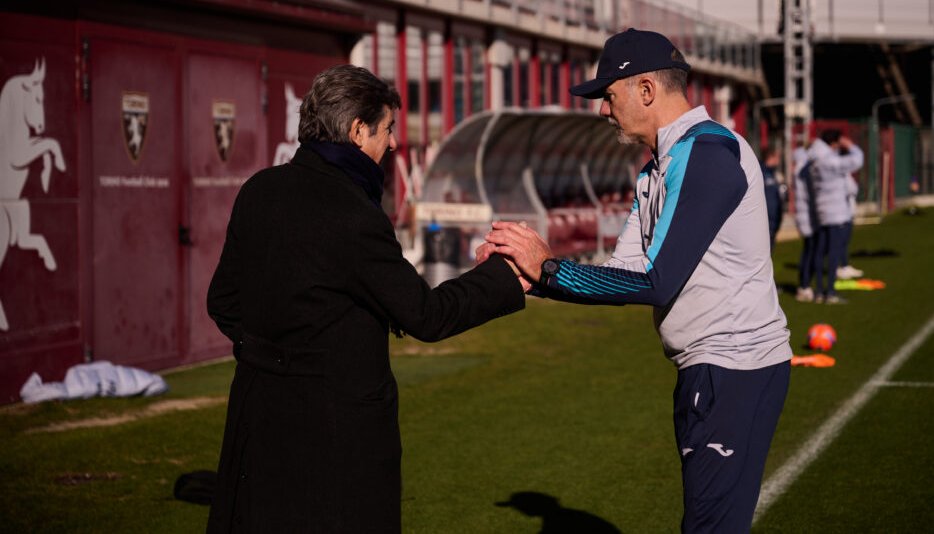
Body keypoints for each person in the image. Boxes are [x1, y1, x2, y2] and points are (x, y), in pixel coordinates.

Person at [480, 28, 792, 533]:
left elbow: (656, 282)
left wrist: (550, 267)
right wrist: (528, 276)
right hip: (712, 370)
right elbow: (622, 275)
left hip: (732, 369)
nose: (603, 110)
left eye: (609, 95)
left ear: (645, 90)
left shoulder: (707, 156)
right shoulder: (658, 169)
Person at [206, 65, 527, 533]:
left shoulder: (259, 190)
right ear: (358, 131)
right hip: (334, 433)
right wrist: (505, 274)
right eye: (388, 129)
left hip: (257, 418)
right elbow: (426, 315)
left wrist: (272, 355)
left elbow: (223, 303)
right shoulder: (353, 213)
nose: (394, 143)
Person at [805, 129, 864, 304]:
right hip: (835, 213)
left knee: (819, 251)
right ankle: (830, 292)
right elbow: (857, 160)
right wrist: (851, 145)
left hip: (821, 211)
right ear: (834, 143)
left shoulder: (815, 160)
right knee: (834, 253)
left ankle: (818, 291)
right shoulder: (828, 160)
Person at [792, 140, 817, 302]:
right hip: (807, 214)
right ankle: (804, 286)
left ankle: (804, 285)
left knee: (809, 250)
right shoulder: (805, 167)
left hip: (804, 213)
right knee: (810, 251)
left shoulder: (799, 165)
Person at [835, 174, 863, 279]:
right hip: (842, 214)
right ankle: (840, 267)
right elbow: (852, 189)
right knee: (841, 242)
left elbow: (853, 188)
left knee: (844, 241)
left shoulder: (845, 173)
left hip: (847, 213)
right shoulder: (841, 173)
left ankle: (844, 265)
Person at [759, 146, 786, 252]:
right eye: (777, 156)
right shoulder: (761, 172)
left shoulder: (774, 174)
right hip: (765, 221)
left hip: (773, 221)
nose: (778, 159)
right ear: (771, 157)